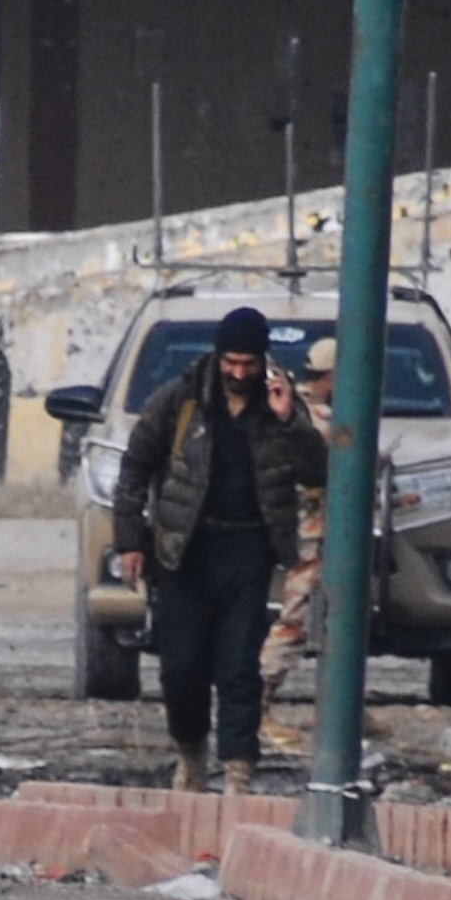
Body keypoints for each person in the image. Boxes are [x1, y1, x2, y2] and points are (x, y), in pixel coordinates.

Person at [113, 306, 327, 794]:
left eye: (248, 363)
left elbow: (317, 471)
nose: (238, 373)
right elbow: (134, 469)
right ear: (218, 355)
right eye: (231, 362)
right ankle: (190, 754)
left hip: (248, 549)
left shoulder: (281, 407)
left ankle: (238, 769)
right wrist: (130, 540)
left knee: (238, 667)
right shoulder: (180, 401)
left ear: (261, 359)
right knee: (182, 667)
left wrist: (289, 418)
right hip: (183, 550)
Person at [259, 337, 340, 749]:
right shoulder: (315, 416)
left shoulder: (304, 409)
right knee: (294, 622)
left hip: (325, 535)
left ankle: (341, 708)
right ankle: (257, 708)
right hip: (312, 537)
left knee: (339, 622)